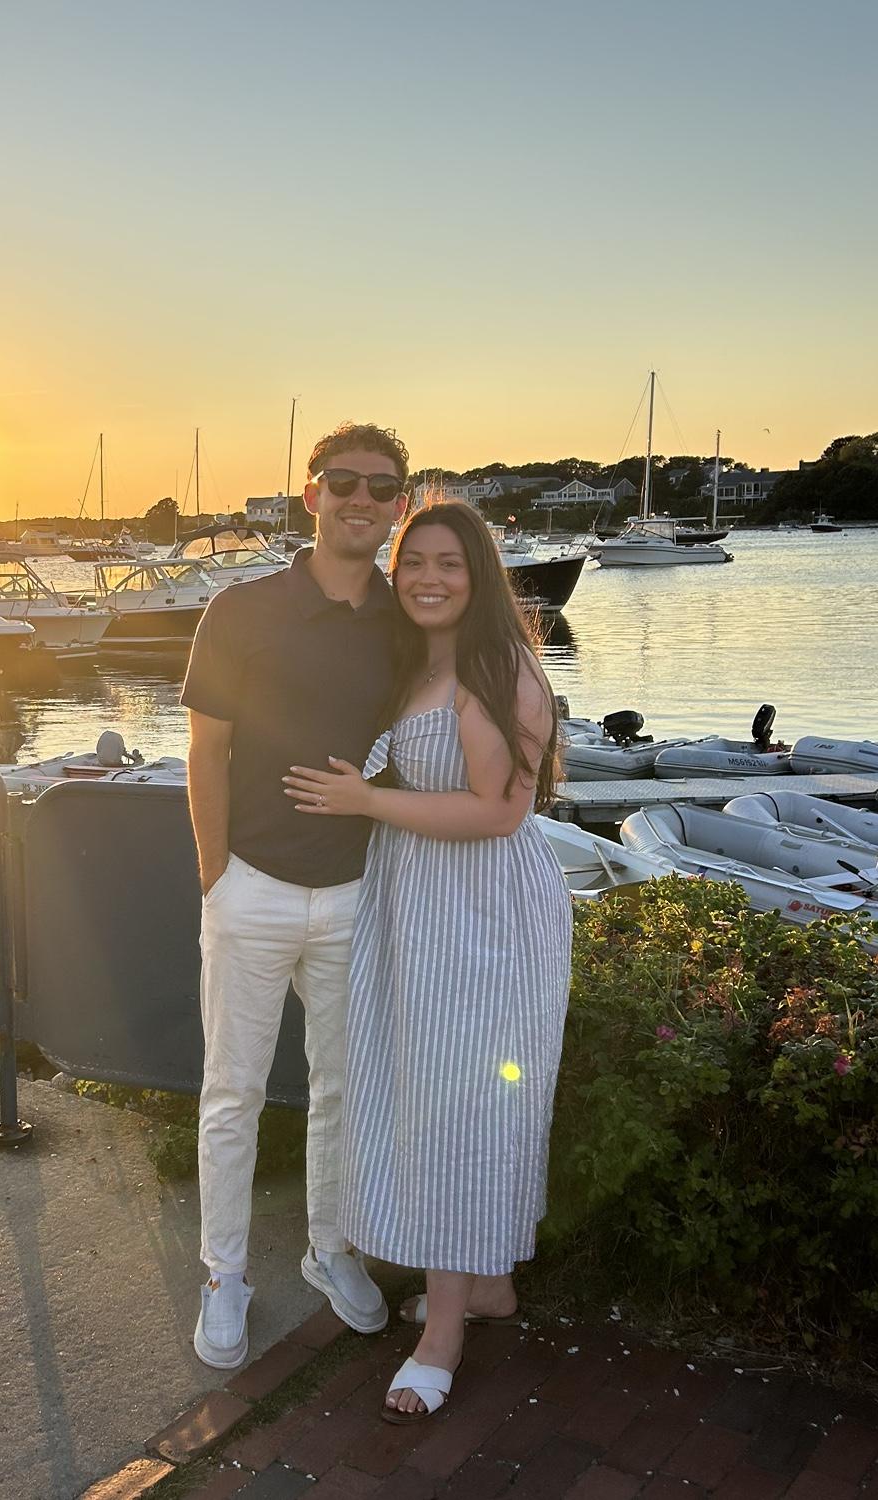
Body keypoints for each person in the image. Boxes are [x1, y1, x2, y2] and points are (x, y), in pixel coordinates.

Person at [283, 500, 571, 1422]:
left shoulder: (501, 668)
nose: (429, 579)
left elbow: (499, 811)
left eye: (450, 563)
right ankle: (486, 1286)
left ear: (479, 574)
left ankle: (441, 1335)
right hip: (419, 903)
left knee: (457, 1104)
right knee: (434, 1093)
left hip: (482, 911)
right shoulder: (422, 663)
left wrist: (366, 803)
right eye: (414, 563)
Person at [181, 422, 409, 1369]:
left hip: (357, 894)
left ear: (399, 506)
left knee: (344, 1090)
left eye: (382, 488)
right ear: (312, 494)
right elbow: (207, 751)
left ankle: (330, 1248)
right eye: (343, 482)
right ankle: (224, 1275)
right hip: (253, 887)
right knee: (231, 1092)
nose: (362, 499)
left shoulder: (407, 622)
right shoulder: (240, 610)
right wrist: (217, 878)